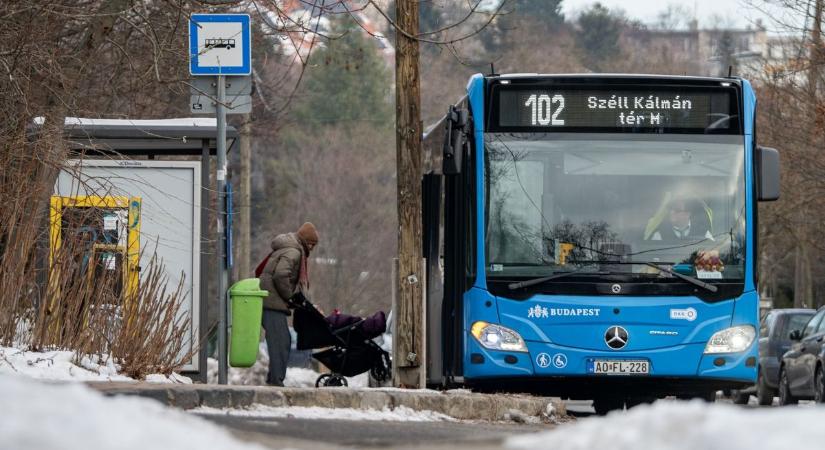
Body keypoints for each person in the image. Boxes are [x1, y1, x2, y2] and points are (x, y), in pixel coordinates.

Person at [258, 222, 319, 386]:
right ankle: (276, 381)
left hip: (270, 300)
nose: (312, 249)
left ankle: (274, 378)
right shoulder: (294, 251)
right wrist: (290, 296)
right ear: (306, 242)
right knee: (280, 342)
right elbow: (280, 275)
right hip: (272, 302)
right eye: (312, 244)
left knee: (279, 340)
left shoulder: (288, 248)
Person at [646, 196, 713, 242]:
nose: (671, 212)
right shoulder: (659, 235)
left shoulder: (703, 233)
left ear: (688, 214)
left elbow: (715, 253)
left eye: (677, 210)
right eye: (671, 209)